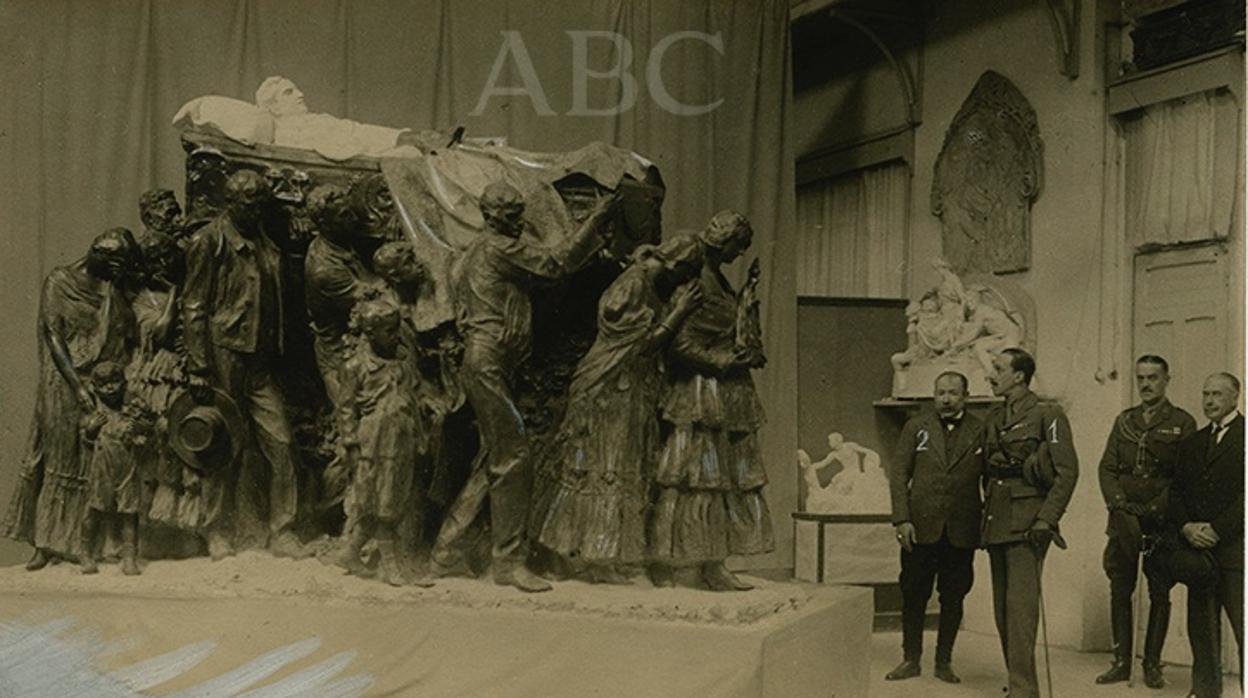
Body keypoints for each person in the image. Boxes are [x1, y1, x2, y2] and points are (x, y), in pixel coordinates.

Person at [428, 181, 615, 593]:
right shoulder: (497, 248)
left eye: (519, 214)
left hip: (492, 362)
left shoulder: (477, 251)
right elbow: (556, 263)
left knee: (493, 458)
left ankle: (445, 551)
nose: (518, 223)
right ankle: (508, 563)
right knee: (514, 458)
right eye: (511, 216)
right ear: (492, 217)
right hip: (488, 362)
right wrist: (595, 222)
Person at [533, 235, 704, 584]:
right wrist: (679, 312)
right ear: (677, 265)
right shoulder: (631, 285)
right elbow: (640, 344)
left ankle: (600, 556)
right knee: (601, 469)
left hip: (627, 390)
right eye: (686, 273)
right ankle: (580, 557)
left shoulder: (648, 284)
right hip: (607, 388)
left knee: (616, 471)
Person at [182, 169, 303, 560]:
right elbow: (194, 305)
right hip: (225, 353)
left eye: (261, 205)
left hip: (260, 358)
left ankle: (283, 530)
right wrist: (199, 365)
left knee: (281, 441)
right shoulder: (209, 241)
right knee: (221, 442)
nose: (256, 212)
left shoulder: (266, 241)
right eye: (250, 205)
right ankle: (216, 530)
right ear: (231, 203)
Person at [650, 210, 773, 592]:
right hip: (700, 391)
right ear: (726, 240)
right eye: (740, 245)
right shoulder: (694, 277)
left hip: (726, 392)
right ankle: (682, 566)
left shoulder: (716, 276)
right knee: (696, 478)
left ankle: (713, 563)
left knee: (724, 480)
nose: (740, 254)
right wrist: (722, 360)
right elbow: (679, 345)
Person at [3, 229, 139, 571]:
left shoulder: (111, 288)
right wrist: (77, 386)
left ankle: (83, 544)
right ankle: (45, 542)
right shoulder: (59, 282)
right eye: (115, 266)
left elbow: (123, 332)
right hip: (63, 380)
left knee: (91, 462)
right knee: (57, 457)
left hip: (101, 381)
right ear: (98, 255)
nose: (117, 274)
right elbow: (53, 336)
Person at [1094, 355, 1196, 687]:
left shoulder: (1182, 422)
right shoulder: (1124, 420)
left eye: (1153, 377)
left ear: (1167, 380)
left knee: (1159, 590)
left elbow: (1183, 477)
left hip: (1160, 522)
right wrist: (1119, 506)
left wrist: (1154, 509)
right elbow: (1107, 468)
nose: (1146, 384)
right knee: (1120, 587)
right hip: (1123, 519)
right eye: (1141, 378)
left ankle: (1152, 663)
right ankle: (1122, 662)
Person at [982, 348, 1078, 698]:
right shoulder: (995, 416)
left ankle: (1023, 691)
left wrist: (1046, 519)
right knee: (1002, 610)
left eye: (998, 369)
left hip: (1029, 522)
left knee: (1020, 611)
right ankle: (1020, 683)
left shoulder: (1048, 415)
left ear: (1019, 376)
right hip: (997, 517)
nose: (991, 375)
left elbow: (1067, 472)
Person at [885, 371, 985, 684]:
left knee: (954, 596)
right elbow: (899, 474)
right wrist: (902, 519)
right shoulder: (916, 427)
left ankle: (944, 662)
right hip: (920, 527)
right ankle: (910, 659)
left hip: (962, 529)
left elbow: (990, 479)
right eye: (940, 392)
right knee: (913, 593)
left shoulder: (981, 430)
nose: (946, 399)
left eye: (953, 393)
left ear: (966, 396)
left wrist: (985, 524)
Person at [335, 300, 435, 588]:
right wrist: (351, 443)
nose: (395, 337)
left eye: (397, 329)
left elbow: (414, 394)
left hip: (402, 438)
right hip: (375, 442)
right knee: (382, 501)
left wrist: (425, 411)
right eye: (389, 331)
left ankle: (349, 553)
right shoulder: (355, 367)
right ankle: (390, 565)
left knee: (391, 497)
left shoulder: (402, 362)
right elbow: (345, 408)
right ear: (370, 333)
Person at [1171, 372, 1243, 698]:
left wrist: (1218, 529)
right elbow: (1176, 492)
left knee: (1243, 627)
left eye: (1217, 394)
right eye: (1205, 394)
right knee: (1201, 628)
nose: (1210, 401)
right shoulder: (1193, 442)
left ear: (1235, 397)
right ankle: (1204, 692)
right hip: (1198, 552)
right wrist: (1186, 526)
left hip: (1236, 551)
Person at [78, 361, 155, 576]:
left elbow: (148, 432)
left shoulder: (132, 410)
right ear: (94, 388)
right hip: (102, 468)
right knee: (94, 509)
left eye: (114, 381)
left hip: (127, 468)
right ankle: (85, 553)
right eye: (103, 384)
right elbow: (85, 441)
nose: (110, 388)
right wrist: (91, 430)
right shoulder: (94, 412)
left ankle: (129, 557)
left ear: (124, 383)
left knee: (130, 512)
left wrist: (139, 429)